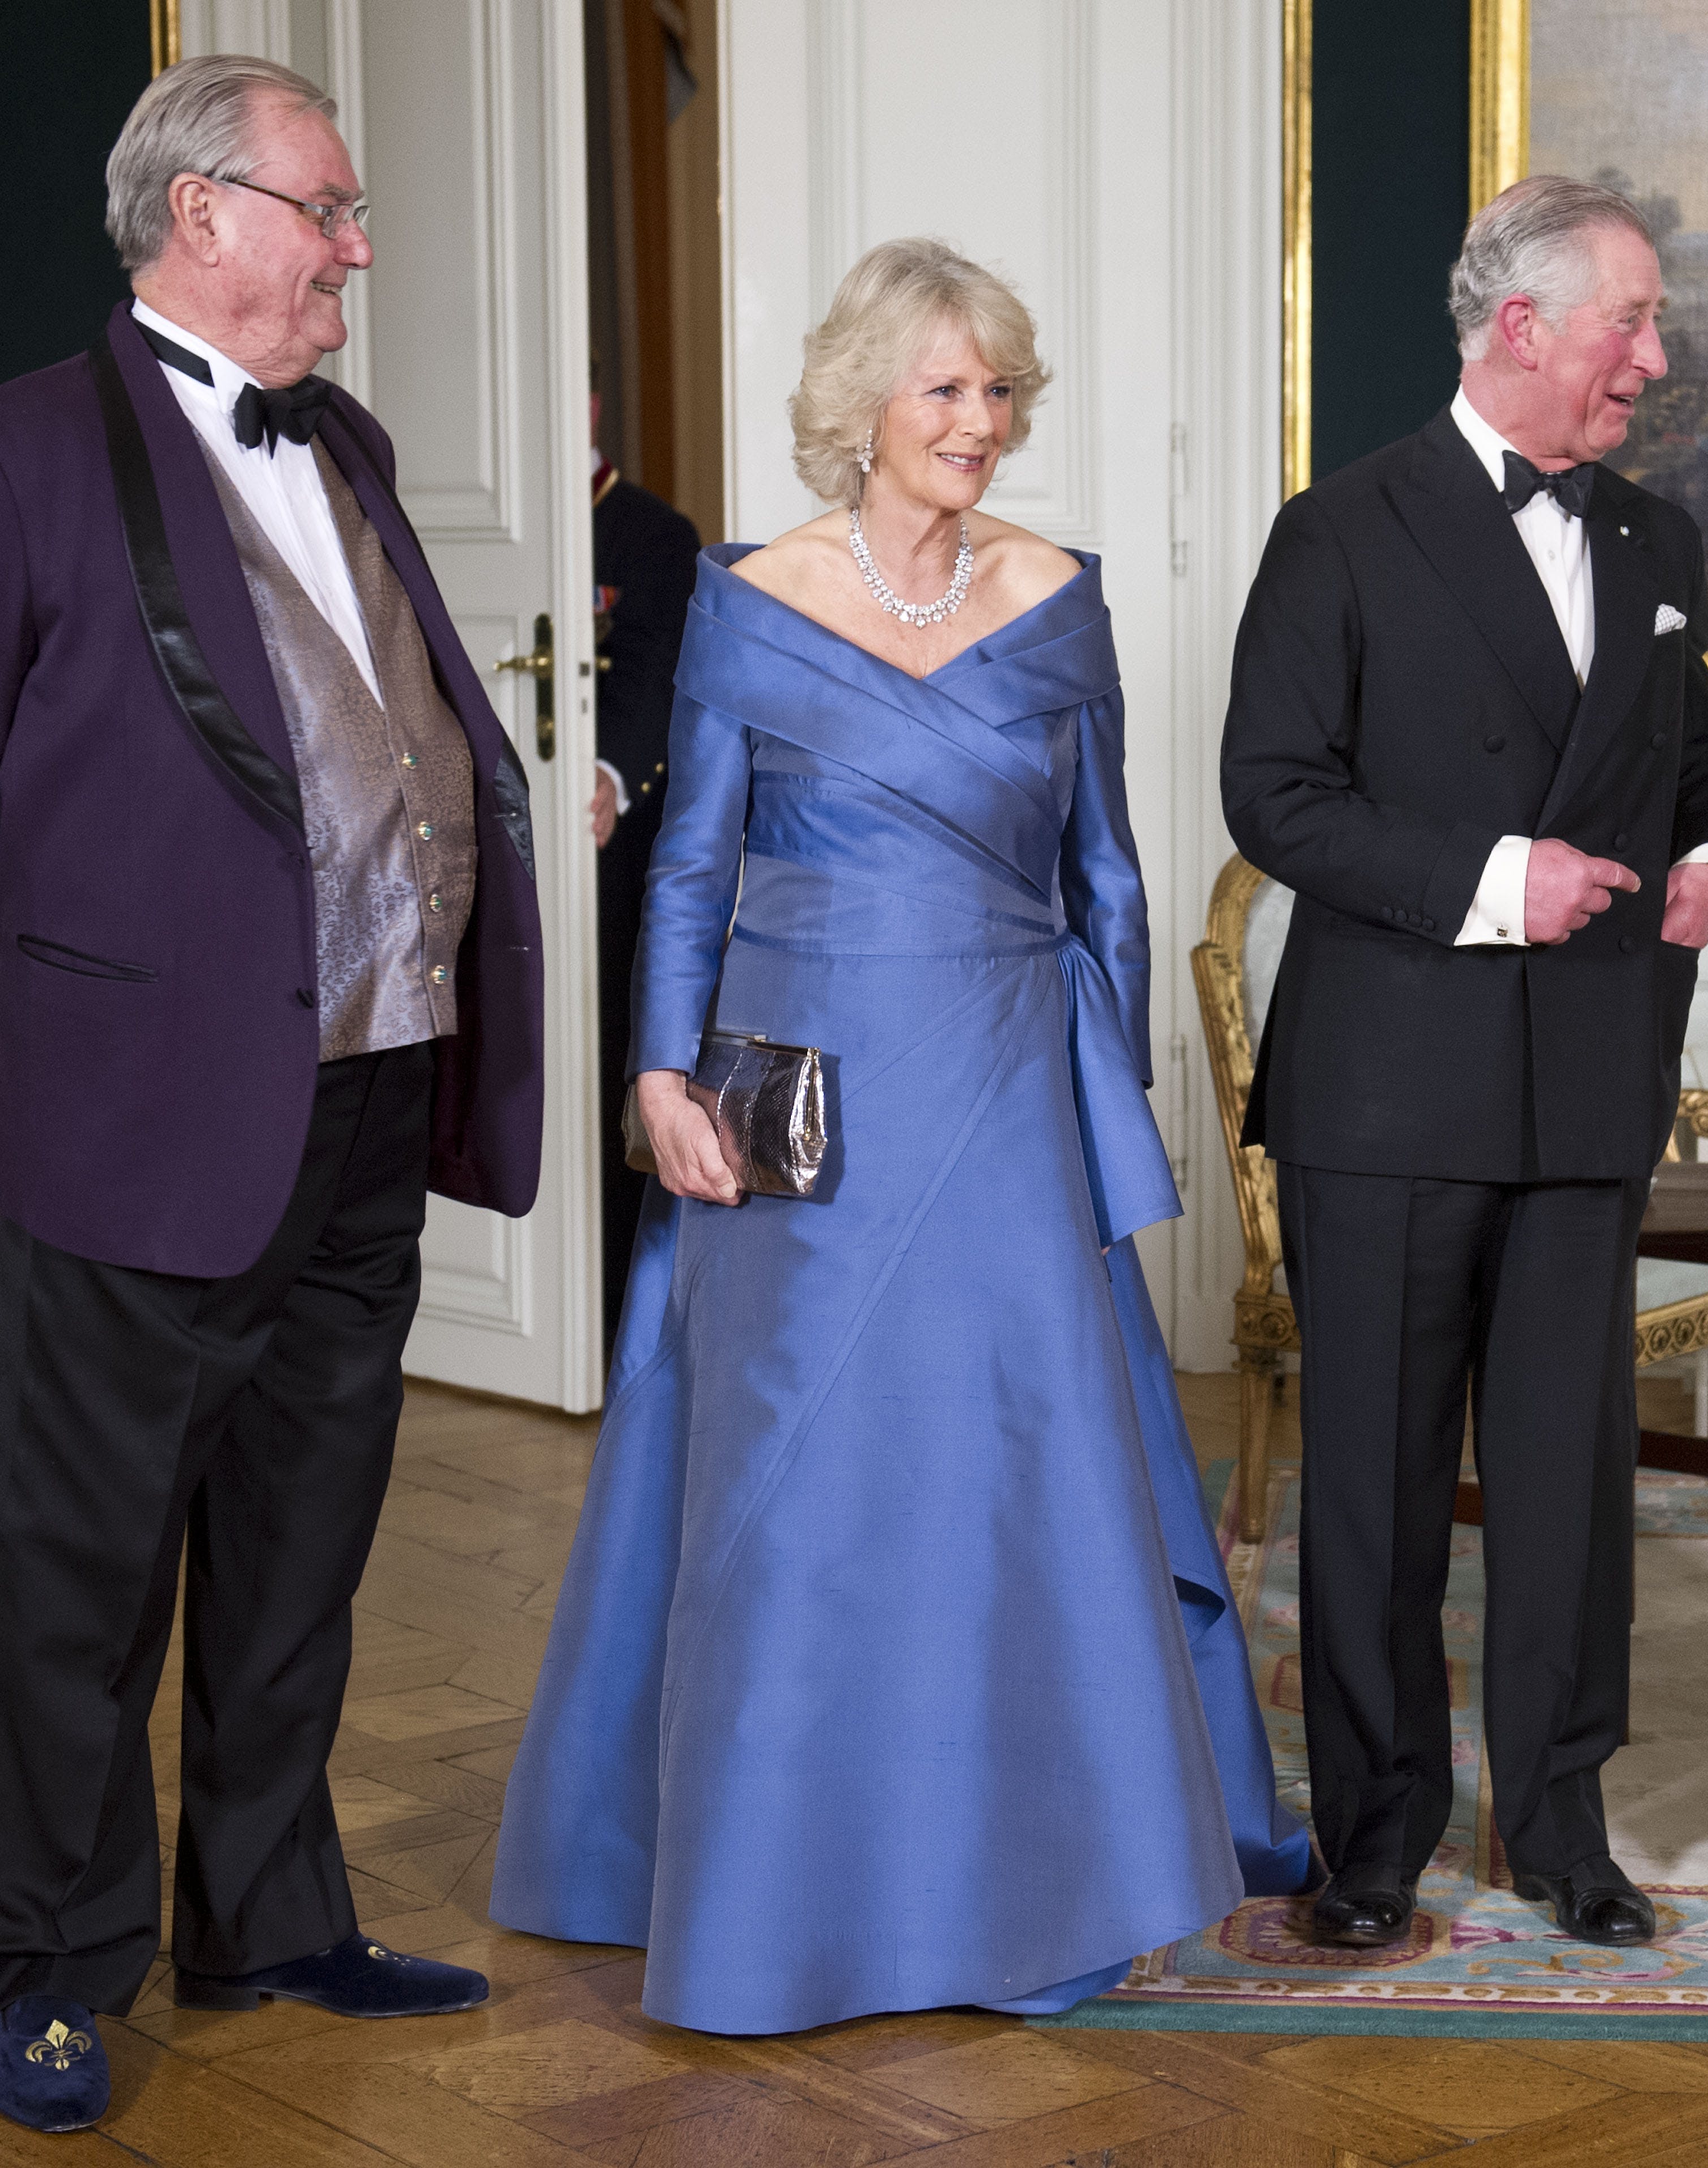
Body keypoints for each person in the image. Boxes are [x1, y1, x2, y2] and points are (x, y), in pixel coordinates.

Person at [0, 56, 543, 2133]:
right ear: (202, 214)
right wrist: (73, 951)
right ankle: (51, 1966)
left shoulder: (355, 445)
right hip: (145, 1105)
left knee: (300, 1535)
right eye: (328, 208)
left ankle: (266, 1908)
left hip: (370, 1088)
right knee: (85, 1562)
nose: (358, 249)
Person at [490, 238, 1309, 2033]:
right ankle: (784, 1888)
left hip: (1009, 1085)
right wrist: (654, 1079)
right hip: (805, 1093)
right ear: (862, 406)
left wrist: (1108, 1114)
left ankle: (1036, 1868)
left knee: (1016, 1468)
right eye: (945, 389)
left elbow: (1105, 870)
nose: (981, 424)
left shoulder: (1056, 597)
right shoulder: (751, 596)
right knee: (806, 1485)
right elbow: (691, 862)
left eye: (1000, 390)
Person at [1221, 175, 1708, 1951]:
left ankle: (1562, 1825)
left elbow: (1706, 774)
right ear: (1522, 325)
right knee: (1372, 1484)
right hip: (1390, 1090)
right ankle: (1374, 1840)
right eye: (1632, 322)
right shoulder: (1343, 527)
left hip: (1589, 1072)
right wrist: (1490, 881)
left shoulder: (1657, 544)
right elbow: (1275, 796)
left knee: (1568, 1481)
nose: (1654, 359)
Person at [584, 398, 702, 1340]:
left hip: (616, 844)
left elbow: (655, 673)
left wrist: (607, 776)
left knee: (613, 1061)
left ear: (591, 408)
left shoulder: (653, 534)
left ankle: (619, 1315)